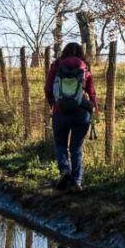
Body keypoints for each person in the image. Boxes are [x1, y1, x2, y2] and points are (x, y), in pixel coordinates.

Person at [44, 41, 98, 191]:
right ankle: (77, 181)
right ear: (81, 53)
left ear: (65, 52)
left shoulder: (57, 66)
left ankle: (64, 171)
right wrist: (94, 108)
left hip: (60, 113)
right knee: (76, 147)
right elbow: (92, 92)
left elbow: (48, 88)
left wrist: (54, 104)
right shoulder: (84, 67)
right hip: (81, 113)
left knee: (60, 144)